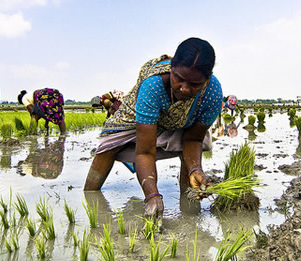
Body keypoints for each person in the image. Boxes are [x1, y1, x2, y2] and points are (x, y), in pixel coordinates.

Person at [84, 37, 223, 219]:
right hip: (136, 122)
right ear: (171, 67)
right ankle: (89, 198)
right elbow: (144, 152)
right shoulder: (153, 85)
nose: (184, 89)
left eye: (195, 84)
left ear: (207, 80)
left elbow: (193, 139)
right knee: (106, 150)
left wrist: (195, 170)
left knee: (191, 164)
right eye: (179, 79)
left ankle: (190, 211)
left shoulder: (212, 93)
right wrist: (152, 194)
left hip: (183, 126)